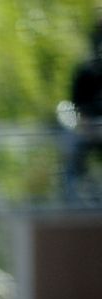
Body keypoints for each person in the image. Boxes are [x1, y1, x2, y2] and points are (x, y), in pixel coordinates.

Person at [62, 13, 102, 200]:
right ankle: (73, 198)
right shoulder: (85, 72)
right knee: (71, 144)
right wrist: (85, 125)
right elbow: (75, 108)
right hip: (89, 130)